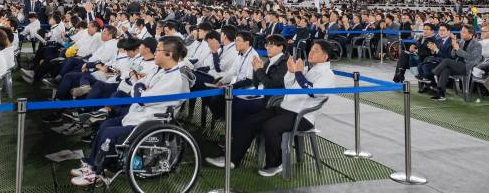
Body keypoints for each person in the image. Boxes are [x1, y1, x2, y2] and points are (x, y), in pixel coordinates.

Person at [71, 36, 190, 187]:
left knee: (109, 133)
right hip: (137, 115)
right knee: (105, 125)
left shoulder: (174, 78)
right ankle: (91, 164)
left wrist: (141, 89)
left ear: (169, 54)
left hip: (149, 123)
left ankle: (97, 173)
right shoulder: (159, 70)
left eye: (159, 50)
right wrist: (141, 88)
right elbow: (139, 85)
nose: (156, 53)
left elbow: (142, 97)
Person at [205, 40, 335, 177]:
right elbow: (289, 85)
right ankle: (232, 159)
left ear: (325, 57)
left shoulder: (328, 74)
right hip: (285, 108)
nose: (311, 53)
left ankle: (275, 164)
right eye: (312, 49)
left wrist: (298, 73)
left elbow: (313, 92)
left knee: (270, 126)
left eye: (316, 50)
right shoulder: (308, 69)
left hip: (302, 116)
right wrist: (291, 72)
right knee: (249, 121)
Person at [430, 24, 482, 101]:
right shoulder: (461, 42)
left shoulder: (477, 44)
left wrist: (458, 49)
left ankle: (433, 73)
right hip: (458, 65)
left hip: (468, 67)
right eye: (461, 31)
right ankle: (440, 94)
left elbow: (472, 58)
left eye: (464, 32)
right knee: (445, 70)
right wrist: (454, 48)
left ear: (470, 34)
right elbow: (453, 56)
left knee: (446, 61)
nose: (461, 33)